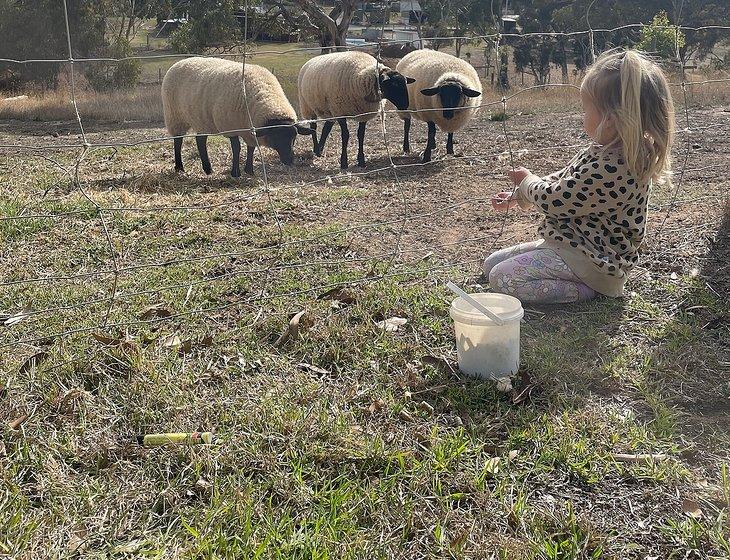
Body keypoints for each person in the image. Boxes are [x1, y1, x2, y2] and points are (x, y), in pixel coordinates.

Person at [485, 49, 675, 304]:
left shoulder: (615, 167)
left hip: (594, 263)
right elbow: (566, 180)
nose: (582, 117)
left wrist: (528, 181)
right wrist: (519, 196)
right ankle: (571, 279)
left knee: (502, 278)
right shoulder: (606, 150)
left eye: (586, 109)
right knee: (491, 265)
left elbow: (557, 201)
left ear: (609, 120)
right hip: (573, 246)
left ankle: (588, 292)